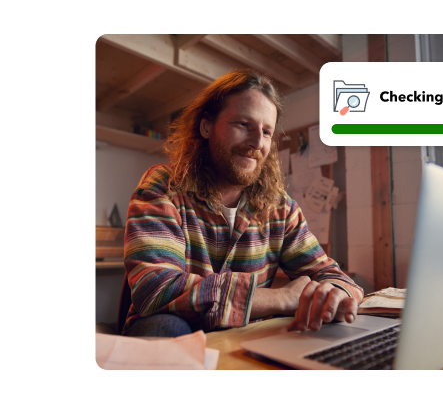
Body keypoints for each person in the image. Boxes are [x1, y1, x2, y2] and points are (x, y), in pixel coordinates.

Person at [122, 69, 364, 337]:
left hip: (246, 336)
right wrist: (280, 299)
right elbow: (156, 289)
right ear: (206, 126)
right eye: (243, 125)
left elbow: (333, 276)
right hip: (171, 332)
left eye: (267, 131)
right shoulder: (163, 187)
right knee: (165, 326)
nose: (257, 142)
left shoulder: (281, 209)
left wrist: (334, 294)